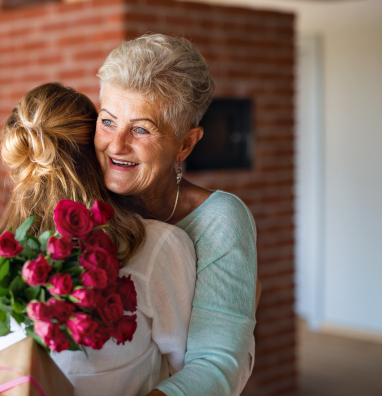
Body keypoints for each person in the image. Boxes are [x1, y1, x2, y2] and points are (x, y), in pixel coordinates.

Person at [0, 82, 198, 396]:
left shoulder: (1, 251)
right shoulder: (159, 246)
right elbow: (189, 368)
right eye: (107, 125)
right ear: (95, 151)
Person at [94, 33, 259, 396]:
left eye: (140, 129)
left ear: (185, 143)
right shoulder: (80, 189)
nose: (116, 144)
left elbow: (217, 364)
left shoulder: (220, 220)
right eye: (107, 121)